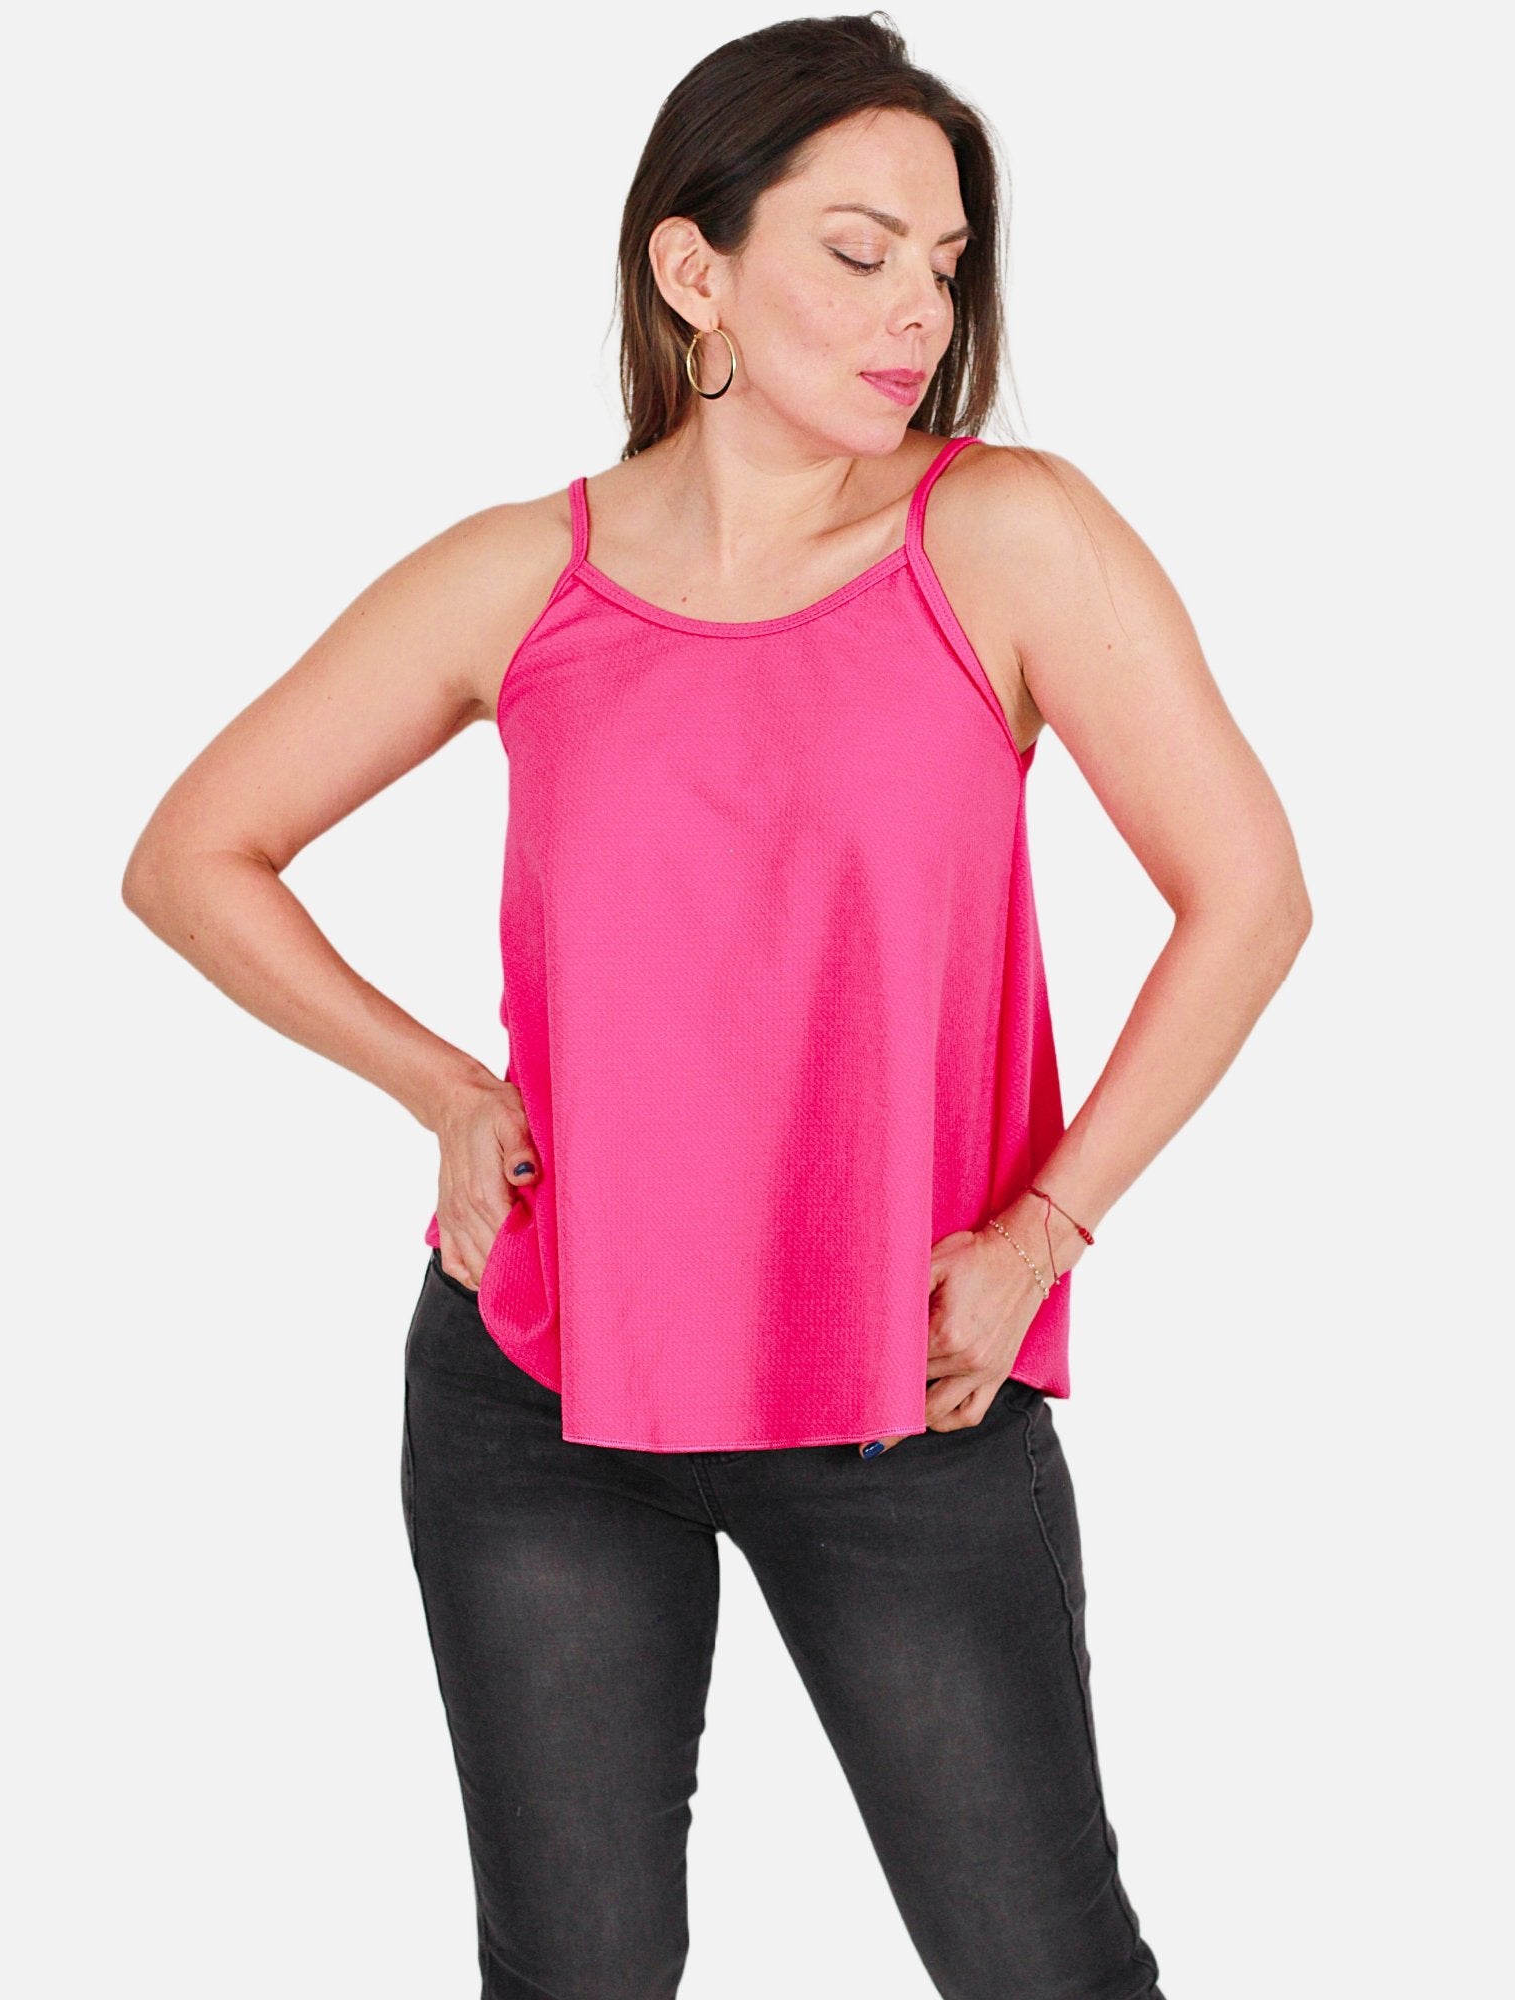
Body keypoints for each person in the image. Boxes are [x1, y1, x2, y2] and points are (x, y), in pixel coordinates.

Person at [122, 15, 1311, 1996]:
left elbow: (1249, 895)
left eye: (945, 263)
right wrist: (444, 1088)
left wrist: (1045, 1227)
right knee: (573, 1976)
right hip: (538, 1386)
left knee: (1044, 1968)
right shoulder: (523, 576)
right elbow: (193, 855)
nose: (918, 309)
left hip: (903, 1381)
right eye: (858, 252)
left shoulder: (1005, 534)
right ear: (696, 270)